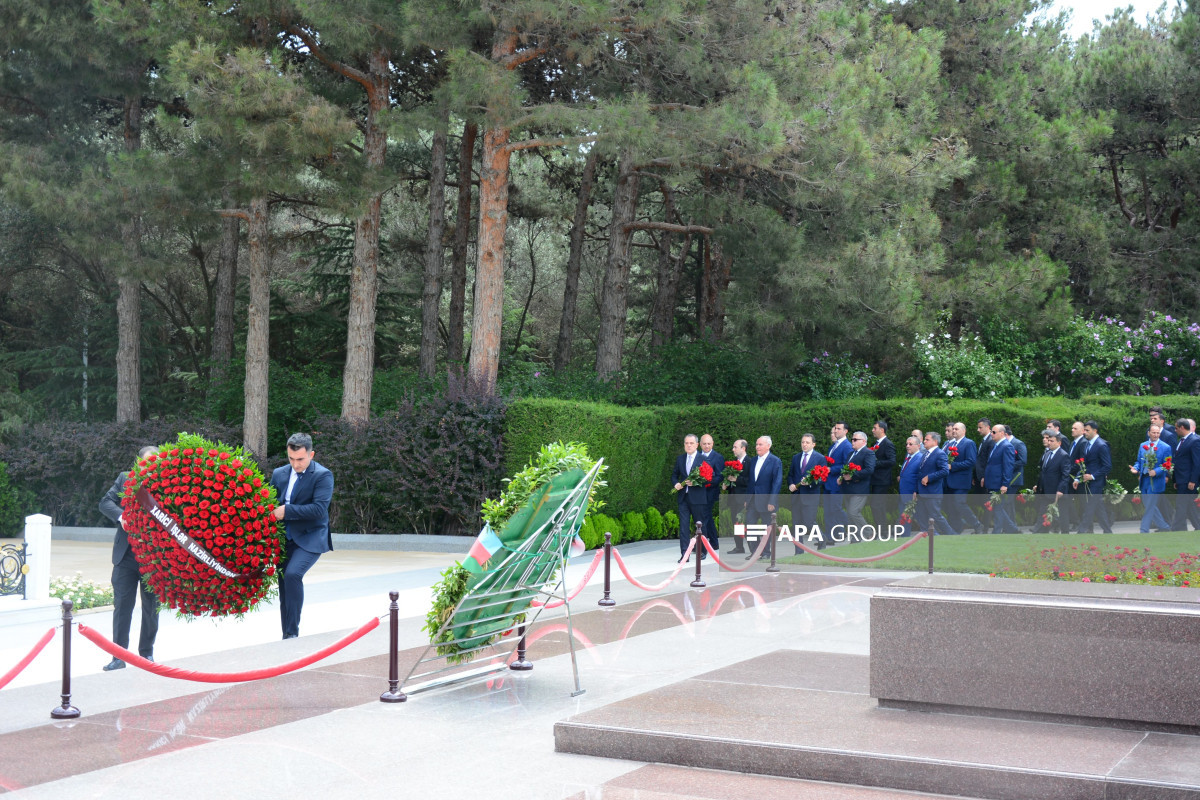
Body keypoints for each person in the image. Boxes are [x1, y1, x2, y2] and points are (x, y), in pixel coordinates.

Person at [98, 445, 162, 671]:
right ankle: (118, 656)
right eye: (146, 462)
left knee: (151, 607)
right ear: (139, 463)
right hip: (125, 556)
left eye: (154, 463)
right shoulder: (126, 479)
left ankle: (147, 654)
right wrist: (121, 516)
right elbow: (105, 502)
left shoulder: (168, 485)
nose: (150, 467)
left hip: (153, 558)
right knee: (122, 606)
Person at [271, 433, 334, 639]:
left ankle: (292, 635)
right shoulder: (279, 473)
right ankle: (286, 636)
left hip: (311, 537)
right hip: (284, 539)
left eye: (300, 459)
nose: (295, 464)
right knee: (283, 587)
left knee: (292, 574)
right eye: (291, 458)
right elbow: (270, 503)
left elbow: (319, 509)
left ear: (311, 454)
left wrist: (287, 511)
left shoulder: (323, 475)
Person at [787, 433, 825, 552]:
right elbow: (790, 475)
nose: (804, 444)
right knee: (796, 525)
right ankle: (799, 551)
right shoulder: (796, 457)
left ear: (813, 444)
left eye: (807, 442)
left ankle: (822, 539)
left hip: (810, 496)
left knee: (809, 522)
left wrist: (809, 483)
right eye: (803, 442)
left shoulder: (819, 458)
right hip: (797, 496)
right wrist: (791, 484)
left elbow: (822, 479)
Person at [1131, 424, 1172, 533]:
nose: (1156, 435)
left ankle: (1143, 530)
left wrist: (1156, 471)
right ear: (1149, 433)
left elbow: (1167, 464)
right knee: (1149, 505)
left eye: (1158, 433)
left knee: (1149, 506)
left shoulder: (1166, 447)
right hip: (1144, 480)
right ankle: (1164, 527)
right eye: (1153, 432)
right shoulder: (1142, 445)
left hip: (1156, 481)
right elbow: (1139, 462)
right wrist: (1135, 469)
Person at [1074, 420, 1112, 534]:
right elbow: (1084, 464)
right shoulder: (1087, 444)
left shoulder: (1101, 445)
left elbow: (1107, 466)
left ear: (1095, 431)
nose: (1084, 432)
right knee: (1099, 508)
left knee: (1089, 508)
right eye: (1084, 430)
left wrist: (1093, 476)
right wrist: (1077, 478)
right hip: (1088, 482)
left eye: (1087, 430)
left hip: (1096, 483)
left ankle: (1081, 531)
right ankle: (1108, 531)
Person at [746, 436, 783, 551]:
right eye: (756, 444)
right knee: (750, 526)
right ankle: (755, 552)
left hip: (767, 501)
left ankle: (766, 552)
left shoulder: (775, 461)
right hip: (752, 500)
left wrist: (772, 501)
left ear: (768, 446)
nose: (757, 447)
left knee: (766, 529)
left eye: (760, 444)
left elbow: (777, 483)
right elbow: (751, 482)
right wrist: (747, 499)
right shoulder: (753, 460)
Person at [944, 422, 980, 534]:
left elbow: (971, 461)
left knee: (960, 504)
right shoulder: (951, 444)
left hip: (961, 481)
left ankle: (977, 524)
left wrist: (952, 466)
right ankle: (956, 529)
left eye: (956, 429)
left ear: (963, 431)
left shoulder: (969, 443)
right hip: (949, 481)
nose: (954, 431)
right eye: (953, 429)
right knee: (951, 506)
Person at [916, 432, 956, 535]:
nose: (924, 441)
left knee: (936, 516)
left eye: (927, 439)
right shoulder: (926, 453)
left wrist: (929, 477)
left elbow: (945, 471)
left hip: (933, 492)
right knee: (923, 517)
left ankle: (952, 535)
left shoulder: (940, 453)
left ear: (935, 441)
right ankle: (932, 537)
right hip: (922, 492)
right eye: (924, 439)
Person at [1032, 430, 1071, 533]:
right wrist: (1039, 485)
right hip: (1046, 490)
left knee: (1062, 516)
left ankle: (1065, 535)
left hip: (1057, 491)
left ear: (1059, 443)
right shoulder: (1047, 454)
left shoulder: (1063, 455)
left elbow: (1065, 475)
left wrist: (1061, 489)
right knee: (1042, 513)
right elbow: (1043, 472)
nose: (1049, 442)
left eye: (1052, 441)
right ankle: (1040, 533)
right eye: (1048, 440)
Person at [983, 424, 1018, 534]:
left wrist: (1005, 484)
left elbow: (1008, 467)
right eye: (991, 432)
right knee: (997, 508)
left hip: (999, 483)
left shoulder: (1006, 446)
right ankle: (1012, 528)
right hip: (993, 482)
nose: (991, 434)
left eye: (994, 432)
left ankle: (997, 532)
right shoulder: (996, 445)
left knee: (998, 508)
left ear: (1002, 433)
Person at [840, 431, 876, 534]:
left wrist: (852, 476)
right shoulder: (851, 453)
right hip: (848, 489)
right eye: (852, 439)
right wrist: (841, 477)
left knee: (853, 512)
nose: (852, 441)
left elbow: (869, 470)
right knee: (850, 515)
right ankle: (855, 538)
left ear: (863, 441)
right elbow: (846, 469)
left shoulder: (868, 452)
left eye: (855, 440)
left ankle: (869, 532)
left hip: (860, 489)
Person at [724, 439, 752, 554]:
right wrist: (727, 483)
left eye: (735, 447)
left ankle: (754, 548)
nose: (733, 449)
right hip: (733, 498)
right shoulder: (733, 463)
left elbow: (750, 481)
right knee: (736, 523)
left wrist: (737, 479)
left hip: (743, 498)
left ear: (743, 448)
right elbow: (731, 479)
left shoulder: (750, 462)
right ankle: (739, 547)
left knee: (746, 524)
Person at [868, 421, 896, 532]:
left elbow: (891, 461)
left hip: (882, 480)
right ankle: (880, 530)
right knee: (876, 505)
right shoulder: (876, 444)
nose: (872, 430)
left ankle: (882, 531)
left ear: (882, 430)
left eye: (875, 428)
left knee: (877, 505)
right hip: (875, 480)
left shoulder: (887, 444)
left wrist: (875, 463)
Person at [1171, 419, 1199, 531]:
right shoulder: (1182, 440)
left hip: (1188, 480)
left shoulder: (1195, 440)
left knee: (1181, 505)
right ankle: (1197, 526)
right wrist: (1175, 480)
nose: (1175, 430)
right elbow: (1179, 461)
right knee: (1189, 506)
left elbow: (1197, 463)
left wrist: (1193, 480)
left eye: (1176, 428)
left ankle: (1177, 528)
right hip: (1181, 479)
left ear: (1182, 427)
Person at [823, 421, 851, 534]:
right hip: (828, 482)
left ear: (845, 431)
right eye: (835, 428)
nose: (835, 430)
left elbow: (847, 465)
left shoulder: (847, 446)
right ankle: (832, 536)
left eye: (838, 429)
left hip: (837, 482)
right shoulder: (834, 446)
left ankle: (853, 527)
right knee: (828, 510)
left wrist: (832, 469)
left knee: (836, 508)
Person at [698, 434, 724, 552]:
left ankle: (702, 544)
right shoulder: (697, 456)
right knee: (706, 516)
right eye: (704, 444)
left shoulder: (718, 457)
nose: (707, 446)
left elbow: (719, 477)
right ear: (700, 444)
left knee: (704, 516)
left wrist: (707, 481)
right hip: (698, 492)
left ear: (712, 444)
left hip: (710, 492)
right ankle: (714, 542)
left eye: (709, 444)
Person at [897, 435, 922, 536]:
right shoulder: (908, 457)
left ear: (918, 446)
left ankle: (935, 534)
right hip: (904, 491)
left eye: (911, 444)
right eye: (907, 444)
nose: (907, 446)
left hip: (911, 493)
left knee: (916, 517)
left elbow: (919, 476)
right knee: (904, 517)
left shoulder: (919, 458)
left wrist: (916, 490)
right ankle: (904, 536)